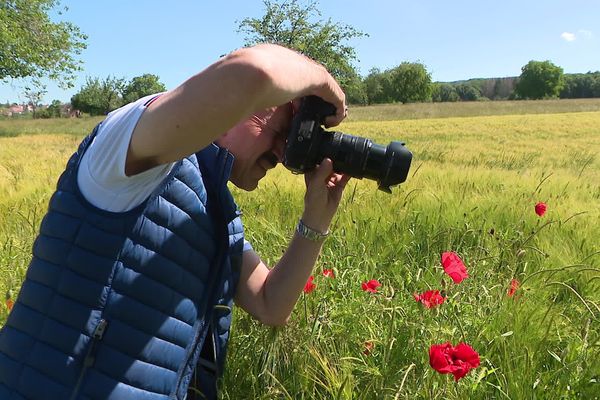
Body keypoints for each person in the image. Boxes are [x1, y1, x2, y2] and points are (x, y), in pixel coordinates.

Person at [0, 43, 350, 400]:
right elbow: (254, 72)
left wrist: (316, 216)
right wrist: (320, 80)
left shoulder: (214, 210)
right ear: (238, 109)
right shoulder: (132, 151)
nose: (282, 152)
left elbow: (270, 303)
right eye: (280, 131)